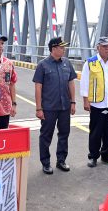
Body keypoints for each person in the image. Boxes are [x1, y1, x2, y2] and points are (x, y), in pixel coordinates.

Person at [33, 37, 77, 175]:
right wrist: (39, 108)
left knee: (64, 134)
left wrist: (73, 102)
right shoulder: (43, 65)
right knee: (46, 135)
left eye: (64, 47)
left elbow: (71, 83)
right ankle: (45, 163)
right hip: (48, 108)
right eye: (61, 47)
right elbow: (38, 87)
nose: (63, 49)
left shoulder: (67, 63)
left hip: (64, 107)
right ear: (53, 49)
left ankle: (61, 160)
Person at [80, 36, 108, 168]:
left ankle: (106, 155)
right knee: (95, 132)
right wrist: (85, 101)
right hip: (97, 104)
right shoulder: (90, 62)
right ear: (98, 47)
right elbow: (84, 82)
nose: (107, 49)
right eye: (104, 46)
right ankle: (93, 156)